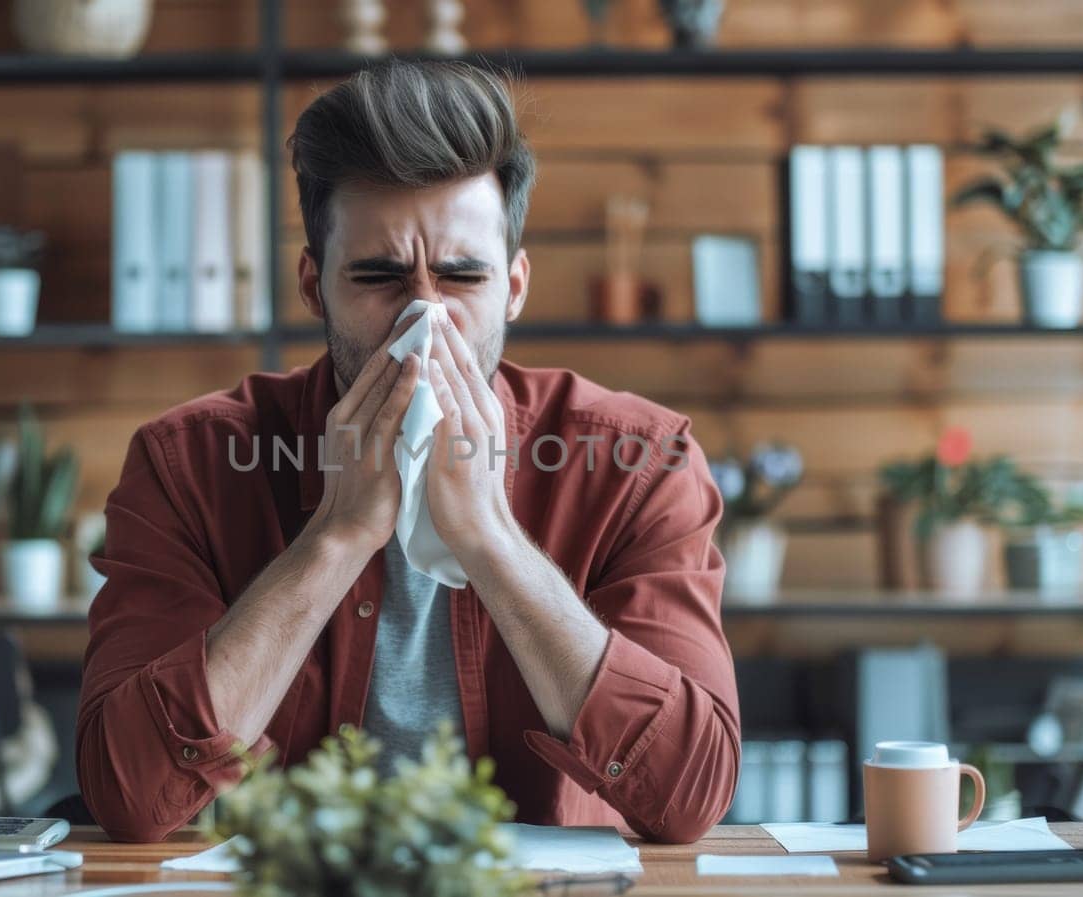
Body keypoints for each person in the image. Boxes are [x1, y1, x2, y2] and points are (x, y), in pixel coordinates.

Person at [78, 59, 739, 844]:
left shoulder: (638, 464)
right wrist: (335, 536)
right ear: (313, 284)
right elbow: (130, 791)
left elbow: (691, 792)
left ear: (515, 287)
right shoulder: (189, 464)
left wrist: (491, 540)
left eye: (461, 275)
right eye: (379, 275)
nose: (425, 314)